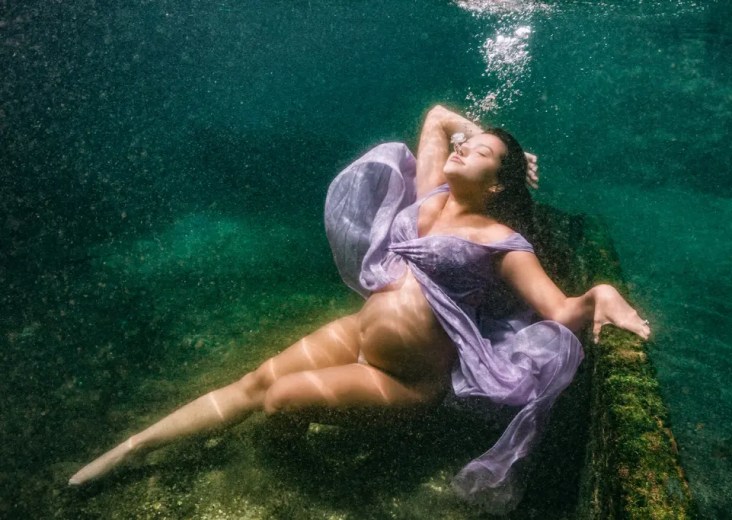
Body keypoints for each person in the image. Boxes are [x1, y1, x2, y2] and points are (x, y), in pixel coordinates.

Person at [68, 105, 650, 511]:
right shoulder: (431, 193)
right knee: (252, 382)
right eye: (467, 144)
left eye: (479, 153)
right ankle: (129, 449)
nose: (462, 146)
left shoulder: (503, 243)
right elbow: (438, 117)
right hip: (358, 332)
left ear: (497, 185)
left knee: (277, 400)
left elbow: (557, 310)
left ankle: (301, 463)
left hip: (406, 378)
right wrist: (482, 132)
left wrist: (600, 293)